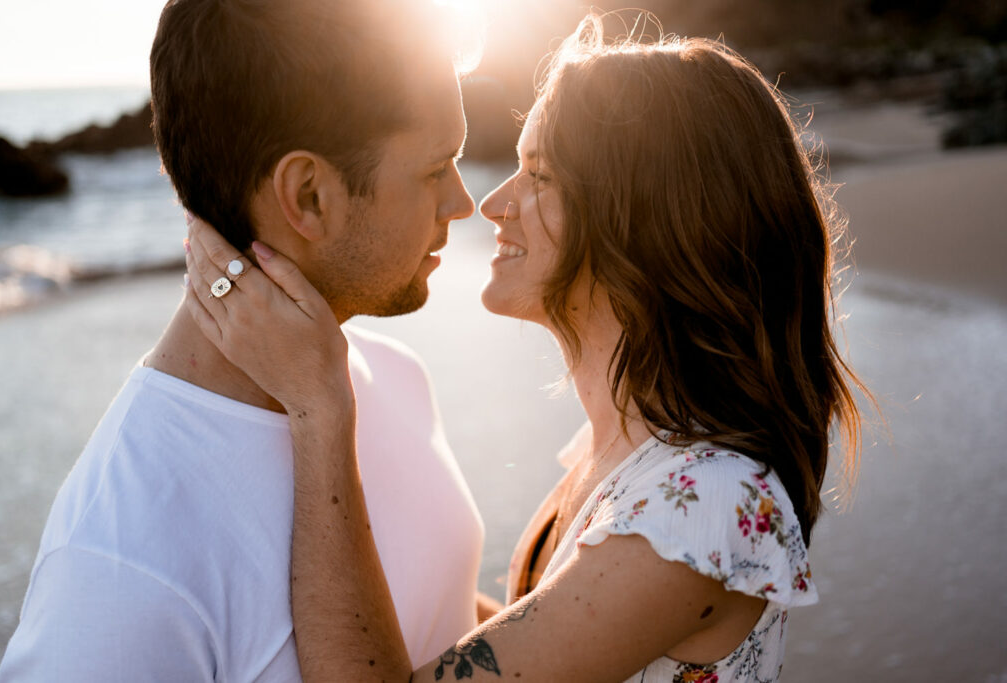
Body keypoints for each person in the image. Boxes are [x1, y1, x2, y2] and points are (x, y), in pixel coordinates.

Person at [184, 10, 872, 682]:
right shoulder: (625, 452)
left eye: (539, 175)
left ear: (645, 219)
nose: (493, 203)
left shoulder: (703, 510)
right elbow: (536, 638)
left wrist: (318, 408)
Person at [0, 0, 487, 680]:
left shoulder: (392, 375)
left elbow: (449, 619)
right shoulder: (121, 567)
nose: (463, 202)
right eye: (437, 168)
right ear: (309, 195)